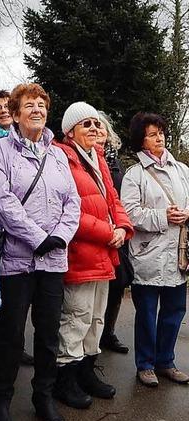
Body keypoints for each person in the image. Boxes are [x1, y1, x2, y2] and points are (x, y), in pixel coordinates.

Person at [0, 83, 80, 421]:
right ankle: (1, 401)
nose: (36, 109)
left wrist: (60, 237)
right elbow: (1, 199)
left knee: (48, 334)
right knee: (11, 335)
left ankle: (43, 396)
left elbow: (73, 202)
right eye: (29, 105)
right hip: (17, 261)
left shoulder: (57, 154)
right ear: (17, 112)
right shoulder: (1, 153)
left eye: (41, 104)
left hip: (53, 261)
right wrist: (38, 238)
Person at [52, 102, 133, 410]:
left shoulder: (97, 158)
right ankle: (65, 379)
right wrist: (107, 233)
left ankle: (86, 372)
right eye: (86, 124)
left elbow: (114, 201)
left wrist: (123, 227)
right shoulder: (63, 158)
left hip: (105, 254)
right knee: (76, 317)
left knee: (96, 317)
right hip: (81, 254)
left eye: (97, 123)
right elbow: (69, 211)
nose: (95, 129)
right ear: (70, 131)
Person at [121, 112, 189, 387]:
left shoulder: (183, 171)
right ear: (141, 140)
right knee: (147, 315)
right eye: (151, 133)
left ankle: (166, 361)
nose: (158, 137)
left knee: (175, 312)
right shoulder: (134, 175)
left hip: (178, 255)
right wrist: (163, 216)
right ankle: (146, 364)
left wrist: (186, 214)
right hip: (147, 255)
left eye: (160, 131)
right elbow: (129, 213)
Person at [0, 89, 33, 368]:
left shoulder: (26, 142)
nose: (1, 110)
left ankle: (12, 342)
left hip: (19, 226)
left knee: (14, 293)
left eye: (5, 106)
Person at [97, 111, 133, 354]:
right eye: (91, 126)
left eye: (101, 127)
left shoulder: (114, 161)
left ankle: (108, 332)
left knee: (118, 284)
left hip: (118, 230)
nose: (98, 130)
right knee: (96, 288)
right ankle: (94, 336)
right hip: (98, 231)